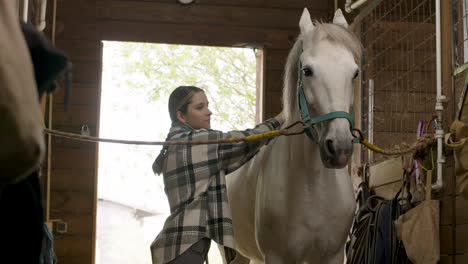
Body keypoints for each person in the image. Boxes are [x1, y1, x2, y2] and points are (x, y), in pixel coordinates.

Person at [151, 86, 284, 264]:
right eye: (200, 107)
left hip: (177, 246)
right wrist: (280, 119)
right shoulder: (195, 142)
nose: (209, 112)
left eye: (207, 105)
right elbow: (246, 140)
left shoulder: (174, 144)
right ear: (181, 116)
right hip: (184, 247)